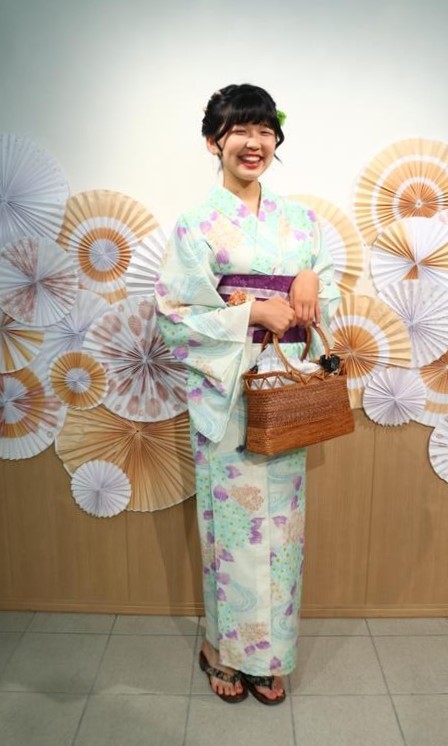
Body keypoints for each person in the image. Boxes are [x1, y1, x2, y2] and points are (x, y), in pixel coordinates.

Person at [155, 83, 339, 705]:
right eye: (240, 130)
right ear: (215, 142)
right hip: (227, 395)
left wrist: (309, 279)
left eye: (265, 131)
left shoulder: (302, 222)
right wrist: (253, 310)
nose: (254, 142)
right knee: (231, 531)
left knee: (281, 532)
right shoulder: (196, 225)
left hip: (283, 392)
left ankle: (270, 656)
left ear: (276, 141)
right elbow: (173, 317)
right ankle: (223, 650)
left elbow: (328, 292)